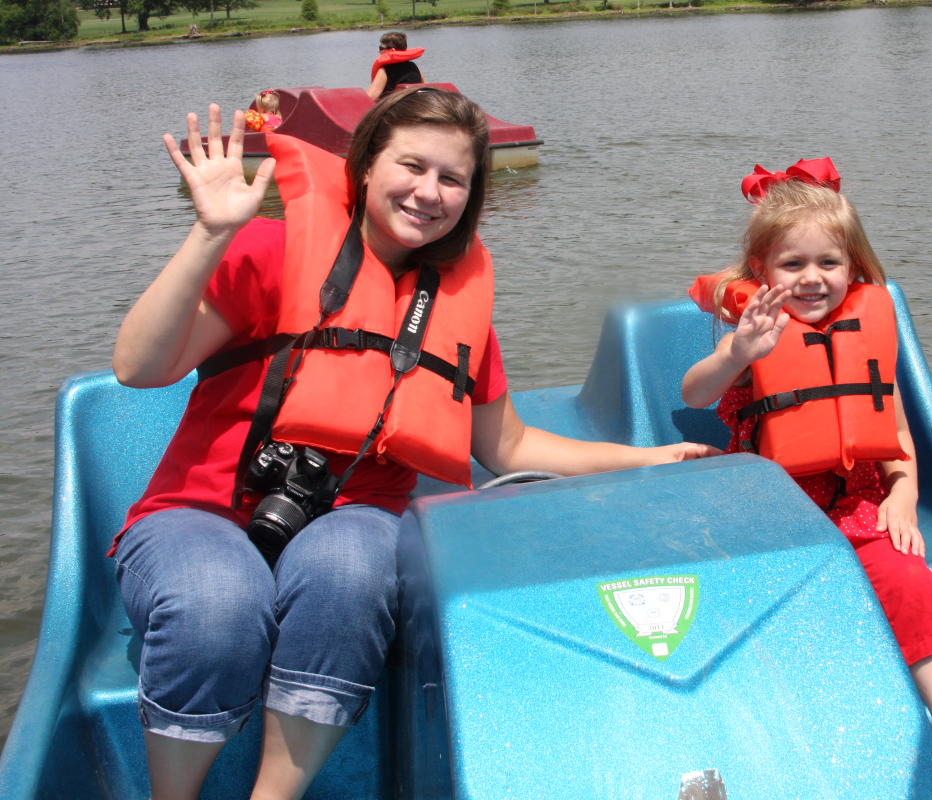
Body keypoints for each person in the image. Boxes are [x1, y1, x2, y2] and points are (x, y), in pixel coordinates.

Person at [111, 87, 717, 800]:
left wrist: (647, 457)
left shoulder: (461, 312)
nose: (429, 192)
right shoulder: (274, 251)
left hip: (349, 518)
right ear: (365, 166)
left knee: (352, 572)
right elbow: (138, 367)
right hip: (199, 515)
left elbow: (509, 446)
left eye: (452, 178)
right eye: (412, 166)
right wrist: (211, 232)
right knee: (219, 599)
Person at [681, 158, 932, 795]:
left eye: (829, 263)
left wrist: (905, 494)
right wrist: (736, 353)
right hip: (768, 506)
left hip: (858, 503)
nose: (812, 279)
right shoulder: (758, 337)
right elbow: (695, 395)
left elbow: (897, 435)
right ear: (761, 274)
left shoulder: (866, 330)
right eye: (792, 264)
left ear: (854, 268)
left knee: (910, 579)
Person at [367, 30, 425, 101]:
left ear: (392, 50)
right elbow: (426, 87)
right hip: (415, 104)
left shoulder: (384, 70)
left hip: (395, 109)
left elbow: (370, 97)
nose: (378, 51)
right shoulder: (413, 66)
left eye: (381, 48)